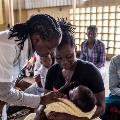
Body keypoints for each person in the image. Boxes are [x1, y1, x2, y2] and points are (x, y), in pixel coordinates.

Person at [44, 19, 105, 119]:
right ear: (53, 53)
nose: (64, 62)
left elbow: (102, 107)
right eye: (59, 58)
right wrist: (39, 112)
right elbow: (45, 100)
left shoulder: (91, 71)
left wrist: (71, 118)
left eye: (69, 56)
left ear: (75, 49)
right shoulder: (52, 71)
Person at [0, 14, 62, 109]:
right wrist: (41, 99)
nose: (51, 52)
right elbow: (4, 92)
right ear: (37, 39)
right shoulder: (8, 47)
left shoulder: (25, 46)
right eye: (50, 48)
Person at [25, 85, 101, 120]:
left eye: (74, 91)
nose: (73, 88)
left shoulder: (66, 102)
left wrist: (68, 117)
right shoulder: (53, 70)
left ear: (73, 100)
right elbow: (45, 99)